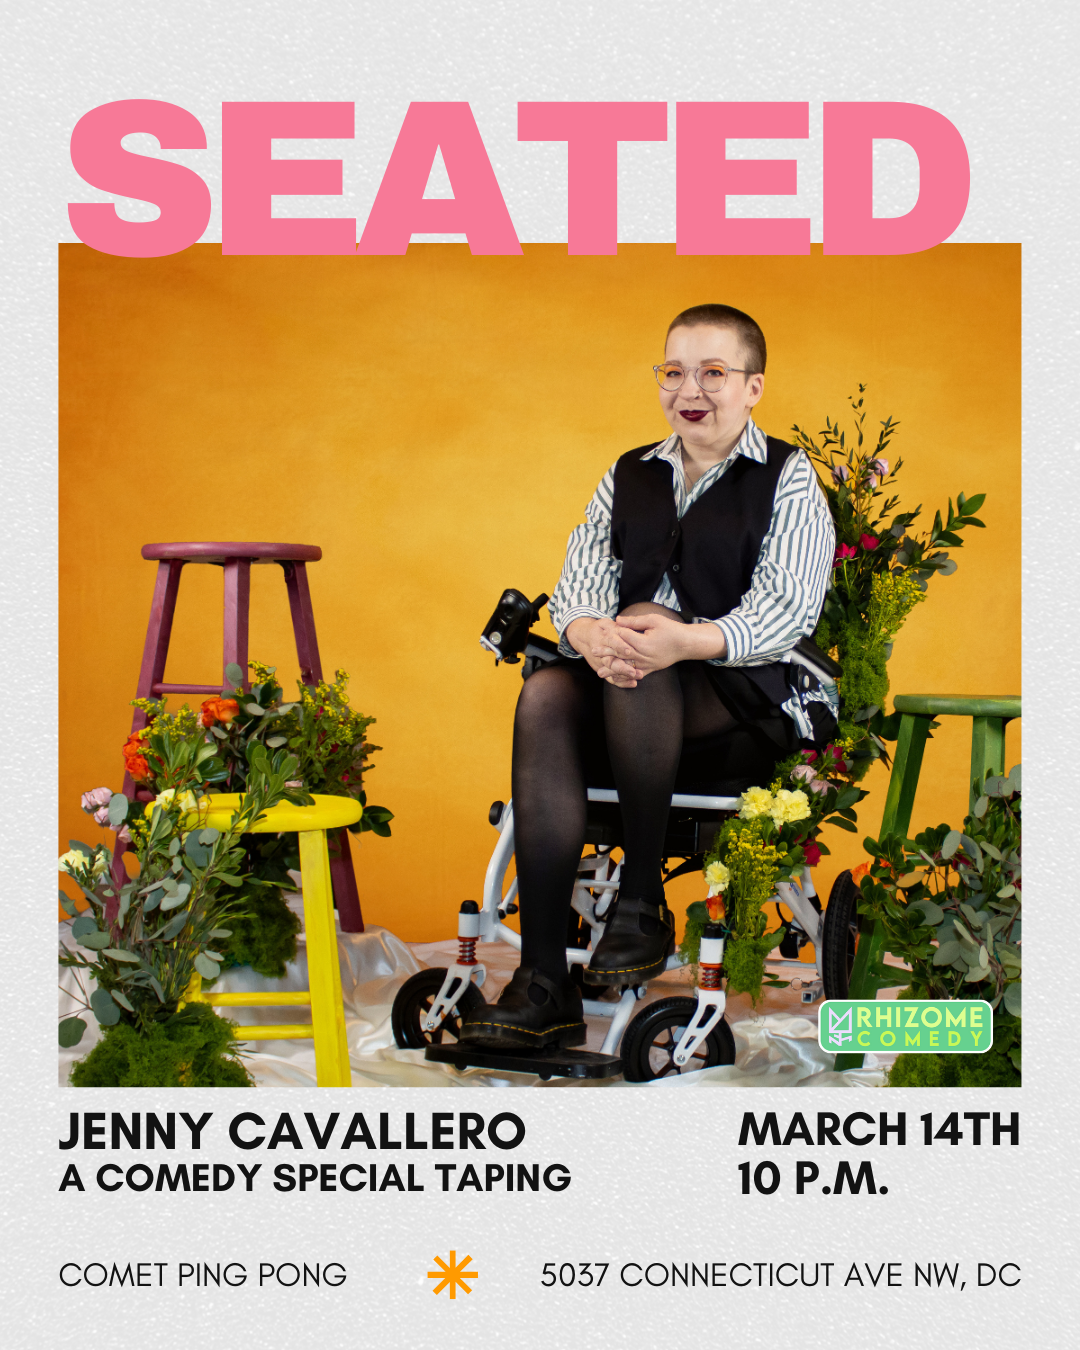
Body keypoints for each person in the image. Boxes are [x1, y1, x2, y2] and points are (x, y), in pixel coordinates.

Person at [460, 304, 838, 1051]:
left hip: (744, 702)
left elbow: (785, 611)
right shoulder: (629, 473)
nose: (689, 388)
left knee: (645, 648)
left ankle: (640, 899)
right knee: (546, 689)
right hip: (629, 700)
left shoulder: (789, 479)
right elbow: (579, 581)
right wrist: (587, 633)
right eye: (673, 371)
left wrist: (677, 640)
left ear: (753, 387)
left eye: (714, 373)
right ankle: (543, 981)